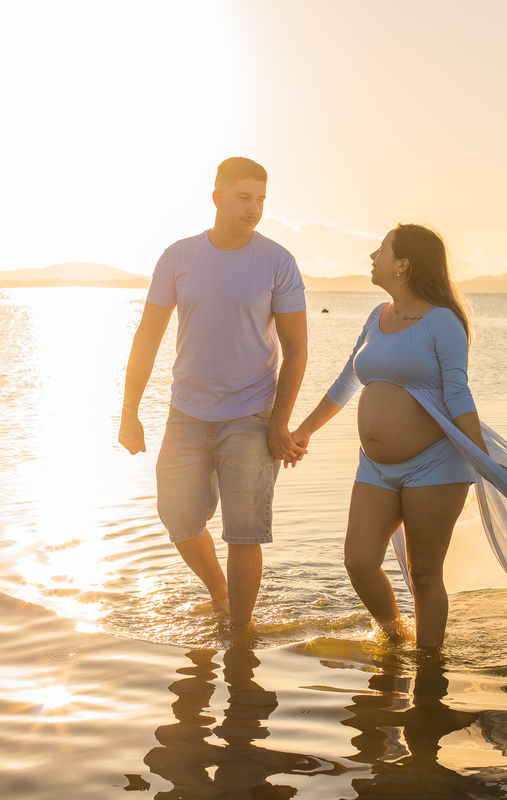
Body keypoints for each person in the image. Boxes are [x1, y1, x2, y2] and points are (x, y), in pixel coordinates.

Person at [291, 223, 507, 649]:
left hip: (435, 464)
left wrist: (485, 462)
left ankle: (430, 667)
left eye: (381, 250)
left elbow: (458, 393)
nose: (372, 256)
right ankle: (394, 639)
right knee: (359, 561)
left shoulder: (443, 321)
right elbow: (346, 381)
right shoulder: (377, 316)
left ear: (404, 264)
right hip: (374, 467)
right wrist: (303, 432)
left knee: (425, 573)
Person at [118, 157, 308, 627]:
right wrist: (129, 410)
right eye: (244, 197)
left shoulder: (277, 261)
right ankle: (220, 594)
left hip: (251, 415)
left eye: (261, 199)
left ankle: (240, 635)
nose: (254, 208)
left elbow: (296, 350)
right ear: (218, 198)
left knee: (244, 533)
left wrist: (279, 422)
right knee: (178, 519)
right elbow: (147, 336)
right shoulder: (178, 257)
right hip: (186, 412)